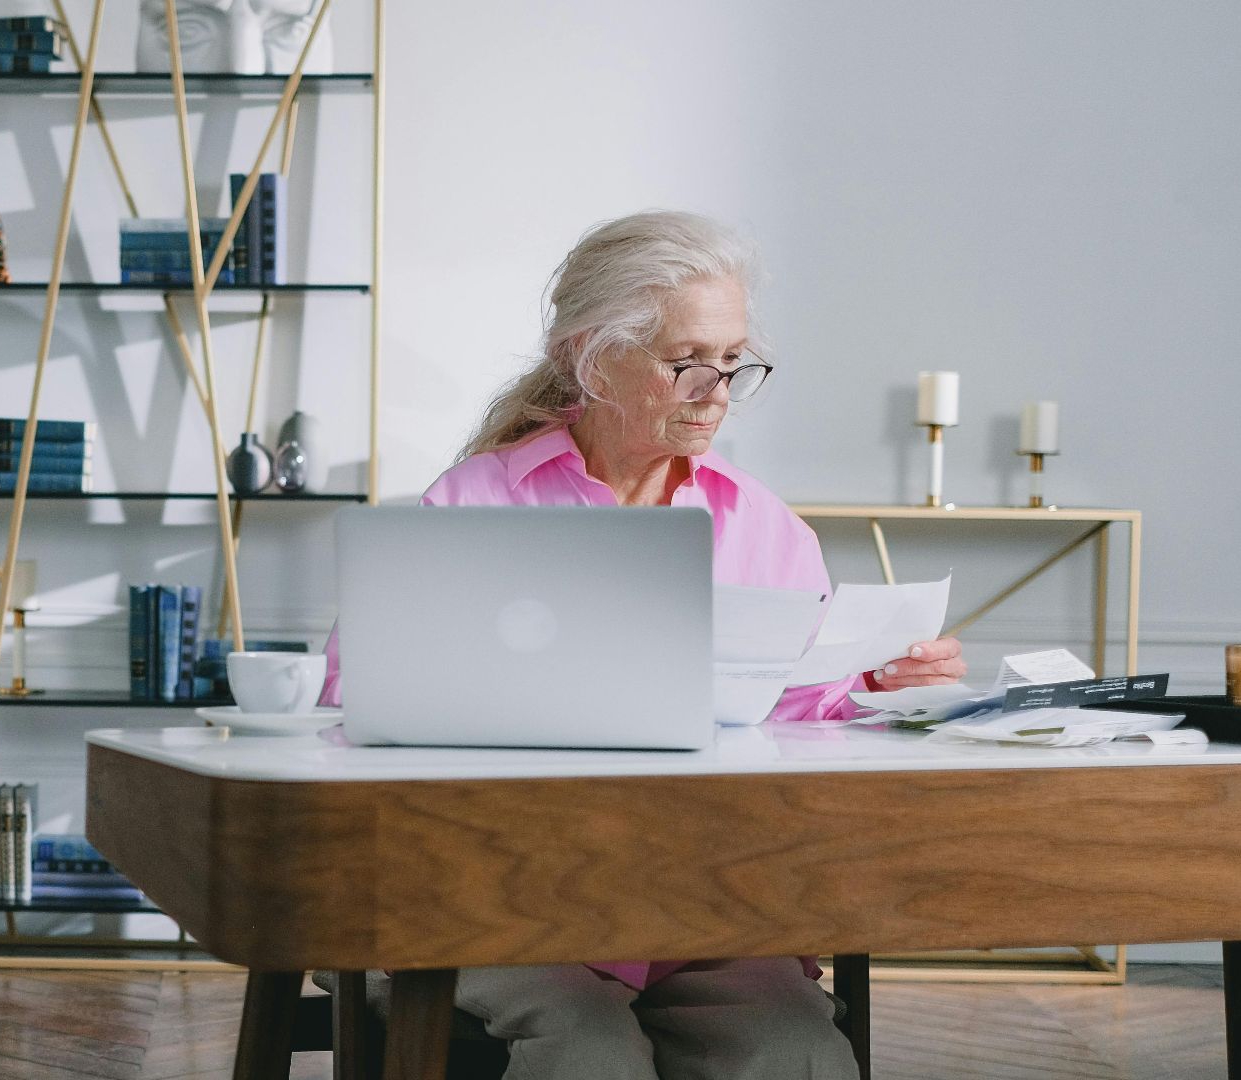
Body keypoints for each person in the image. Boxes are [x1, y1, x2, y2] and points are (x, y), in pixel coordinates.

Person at [317, 210, 968, 1079]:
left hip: (700, 904)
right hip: (495, 900)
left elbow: (805, 714)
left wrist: (882, 689)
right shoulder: (473, 503)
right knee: (587, 1047)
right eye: (687, 361)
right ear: (590, 356)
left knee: (794, 1050)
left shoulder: (766, 528)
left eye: (734, 362)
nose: (717, 390)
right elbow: (355, 702)